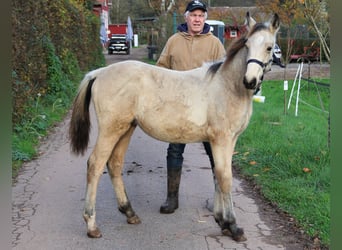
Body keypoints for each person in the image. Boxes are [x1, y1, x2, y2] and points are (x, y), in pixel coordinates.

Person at [156, 0, 226, 214]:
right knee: (174, 150)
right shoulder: (174, 41)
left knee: (215, 152)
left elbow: (224, 76)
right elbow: (160, 69)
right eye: (193, 15)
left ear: (205, 18)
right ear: (186, 17)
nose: (197, 19)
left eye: (201, 15)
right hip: (178, 108)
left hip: (207, 109)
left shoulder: (215, 43)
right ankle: (172, 198)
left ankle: (220, 198)